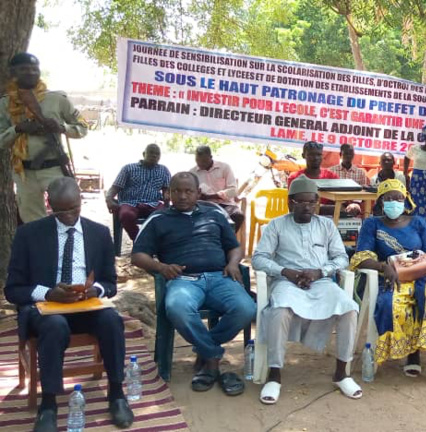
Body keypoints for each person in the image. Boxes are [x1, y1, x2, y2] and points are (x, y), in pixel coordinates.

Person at [5, 178, 134, 431]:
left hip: (85, 307)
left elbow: (110, 282)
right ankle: (49, 405)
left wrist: (93, 291)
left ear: (81, 203)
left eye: (73, 209)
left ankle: (117, 393)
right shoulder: (28, 234)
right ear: (49, 204)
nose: (68, 216)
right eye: (60, 210)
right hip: (46, 310)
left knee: (111, 320)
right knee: (55, 326)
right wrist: (48, 294)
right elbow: (13, 289)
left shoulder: (99, 233)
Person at [131, 172, 256, 396]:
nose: (181, 196)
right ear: (167, 193)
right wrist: (161, 267)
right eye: (176, 191)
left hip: (219, 276)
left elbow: (235, 247)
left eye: (188, 191)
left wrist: (234, 263)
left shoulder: (214, 213)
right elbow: (138, 255)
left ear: (198, 193)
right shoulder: (158, 219)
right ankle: (213, 357)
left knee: (246, 308)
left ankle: (205, 351)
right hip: (183, 281)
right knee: (177, 308)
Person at [252, 177, 362, 403]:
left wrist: (320, 272)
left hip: (320, 282)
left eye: (311, 202)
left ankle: (342, 373)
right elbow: (259, 259)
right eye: (301, 202)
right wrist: (286, 272)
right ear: (290, 203)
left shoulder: (326, 225)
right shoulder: (277, 225)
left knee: (349, 309)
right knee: (280, 310)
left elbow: (341, 258)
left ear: (317, 203)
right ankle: (274, 375)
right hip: (286, 283)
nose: (307, 207)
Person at [349, 180, 426, 388]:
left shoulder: (418, 222)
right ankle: (412, 354)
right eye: (388, 198)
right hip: (392, 278)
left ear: (405, 200)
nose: (394, 202)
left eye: (398, 198)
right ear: (380, 202)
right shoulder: (372, 224)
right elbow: (361, 257)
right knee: (389, 303)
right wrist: (383, 267)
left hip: (421, 275)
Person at [0, 53, 87, 223]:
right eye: (24, 69)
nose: (31, 73)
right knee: (33, 224)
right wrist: (17, 129)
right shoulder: (5, 104)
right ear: (13, 73)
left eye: (34, 69)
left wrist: (62, 128)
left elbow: (83, 128)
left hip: (54, 168)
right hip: (24, 173)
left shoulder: (57, 99)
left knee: (67, 217)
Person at [105, 143, 171, 241]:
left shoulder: (164, 170)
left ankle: (152, 244)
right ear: (144, 154)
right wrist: (109, 199)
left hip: (153, 204)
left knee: (163, 216)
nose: (154, 156)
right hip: (130, 203)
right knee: (126, 215)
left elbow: (167, 190)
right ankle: (140, 241)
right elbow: (115, 187)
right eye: (151, 153)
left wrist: (167, 200)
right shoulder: (129, 168)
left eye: (157, 154)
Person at [288, 141, 360, 217]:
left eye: (319, 155)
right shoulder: (295, 178)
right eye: (311, 155)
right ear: (303, 155)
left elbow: (343, 202)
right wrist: (326, 207)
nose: (315, 158)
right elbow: (294, 207)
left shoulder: (332, 176)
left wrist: (353, 205)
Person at [190, 145, 243, 229]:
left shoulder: (224, 168)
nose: (200, 164)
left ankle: (226, 240)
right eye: (197, 160)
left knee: (237, 215)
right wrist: (197, 196)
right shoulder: (192, 173)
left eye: (204, 161)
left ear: (211, 157)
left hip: (225, 204)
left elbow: (233, 191)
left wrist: (211, 196)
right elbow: (190, 192)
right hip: (203, 205)